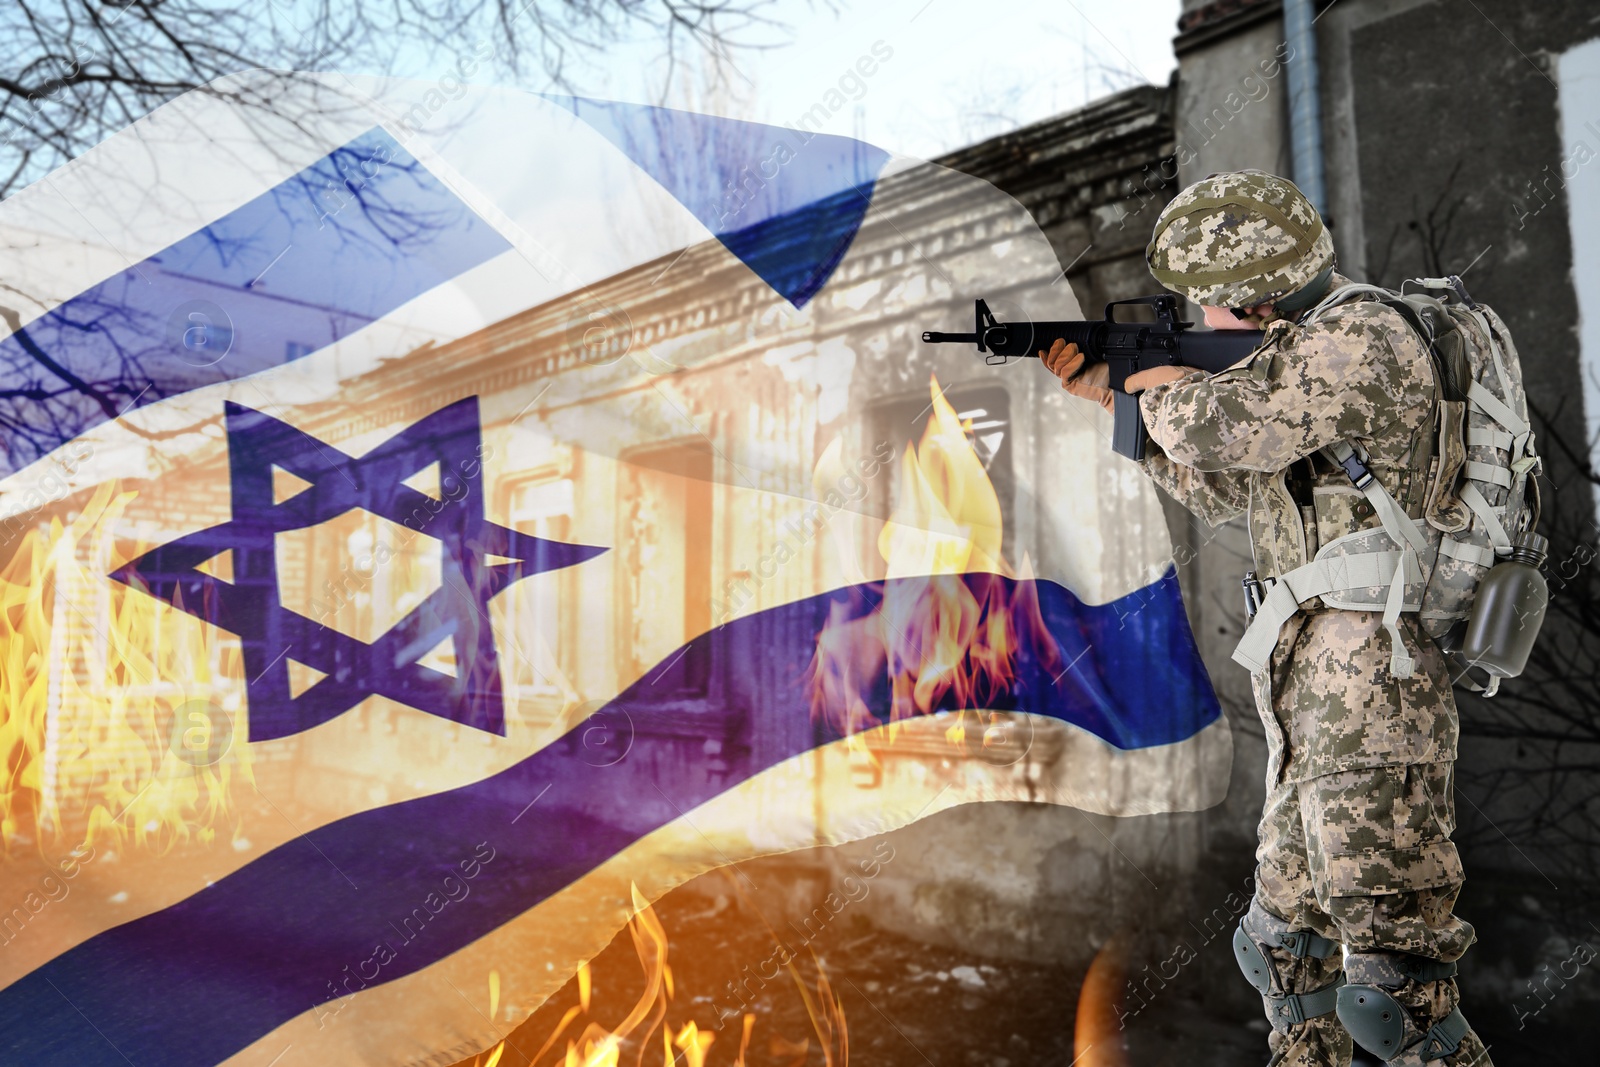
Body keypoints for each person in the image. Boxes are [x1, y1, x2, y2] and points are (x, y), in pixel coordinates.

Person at [1042, 171, 1492, 1067]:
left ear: (1257, 293)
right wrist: (1115, 400)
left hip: (1375, 697)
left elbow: (1221, 429)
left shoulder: (1359, 338)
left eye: (1204, 306)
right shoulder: (1295, 366)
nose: (1199, 324)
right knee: (1285, 953)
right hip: (1305, 694)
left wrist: (1152, 381)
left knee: (1393, 994)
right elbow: (1228, 488)